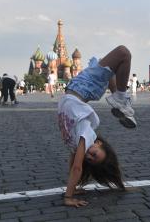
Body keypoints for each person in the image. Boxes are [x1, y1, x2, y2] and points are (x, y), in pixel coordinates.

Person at [58, 46, 136, 207]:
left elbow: (75, 166)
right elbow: (77, 168)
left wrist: (71, 192)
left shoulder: (78, 144)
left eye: (90, 159)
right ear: (99, 144)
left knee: (123, 53)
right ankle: (119, 98)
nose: (89, 156)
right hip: (81, 89)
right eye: (95, 154)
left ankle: (119, 99)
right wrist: (70, 193)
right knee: (119, 58)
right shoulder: (85, 134)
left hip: (81, 88)